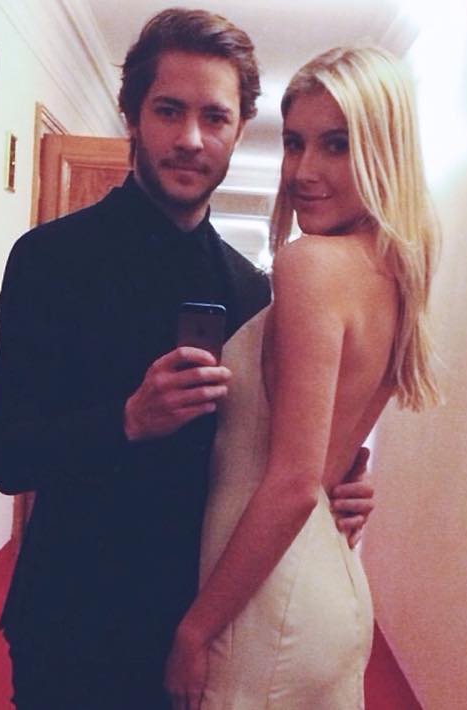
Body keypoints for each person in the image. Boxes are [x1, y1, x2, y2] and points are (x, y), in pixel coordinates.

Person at [0, 10, 374, 709]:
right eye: (169, 110)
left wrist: (334, 481)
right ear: (132, 115)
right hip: (72, 617)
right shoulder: (51, 260)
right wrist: (127, 420)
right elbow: (4, 457)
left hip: (204, 625)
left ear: (239, 129)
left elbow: (267, 456)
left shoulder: (255, 292)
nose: (192, 138)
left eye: (215, 117)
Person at [163, 45, 441, 709]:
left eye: (337, 145)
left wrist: (195, 630)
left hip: (266, 600)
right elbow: (325, 462)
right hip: (320, 578)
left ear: (384, 150)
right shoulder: (392, 273)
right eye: (294, 143)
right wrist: (349, 479)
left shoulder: (311, 264)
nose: (304, 171)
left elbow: (292, 485)